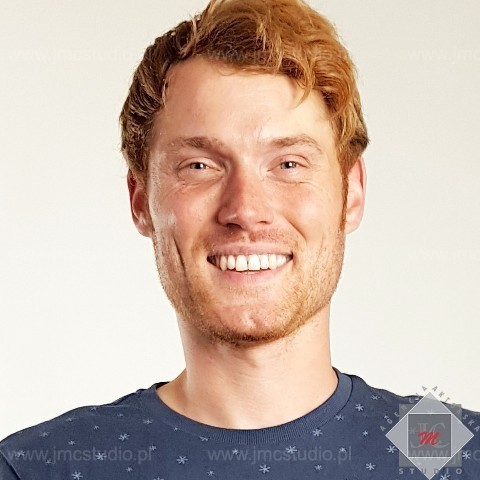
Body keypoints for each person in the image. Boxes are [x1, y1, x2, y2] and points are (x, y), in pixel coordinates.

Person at [1, 0, 478, 478]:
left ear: (351, 193)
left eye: (288, 164)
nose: (246, 210)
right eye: (199, 166)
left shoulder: (455, 451)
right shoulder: (44, 465)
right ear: (140, 200)